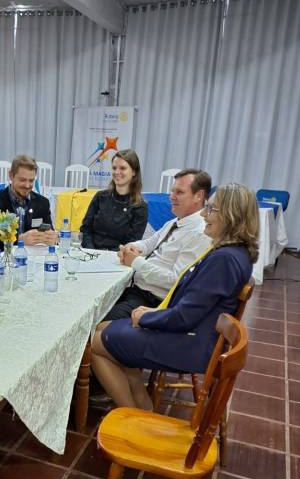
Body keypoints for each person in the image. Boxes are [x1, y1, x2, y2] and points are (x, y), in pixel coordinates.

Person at [91, 183, 257, 410]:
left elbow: (185, 317)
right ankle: (142, 404)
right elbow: (193, 305)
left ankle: (131, 413)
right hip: (193, 331)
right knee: (104, 329)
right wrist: (154, 312)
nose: (204, 215)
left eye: (211, 209)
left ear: (232, 216)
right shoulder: (233, 252)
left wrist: (147, 318)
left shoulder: (224, 259)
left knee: (95, 343)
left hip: (190, 343)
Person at [104, 168, 212, 321]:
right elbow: (149, 243)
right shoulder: (175, 222)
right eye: (172, 191)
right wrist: (132, 247)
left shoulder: (199, 233)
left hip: (152, 302)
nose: (171, 197)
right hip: (136, 290)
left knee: (94, 321)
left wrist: (135, 261)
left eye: (179, 192)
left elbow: (176, 281)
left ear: (199, 196)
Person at [0, 155, 58, 257]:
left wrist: (51, 238)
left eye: (31, 180)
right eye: (22, 180)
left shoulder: (42, 203)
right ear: (11, 175)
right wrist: (19, 239)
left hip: (32, 260)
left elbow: (48, 231)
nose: (27, 185)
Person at [80, 149, 148, 251]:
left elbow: (132, 242)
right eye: (114, 168)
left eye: (122, 168)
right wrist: (91, 250)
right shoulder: (100, 197)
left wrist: (108, 256)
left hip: (117, 257)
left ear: (134, 172)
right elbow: (86, 228)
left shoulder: (140, 207)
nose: (117, 172)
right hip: (90, 253)